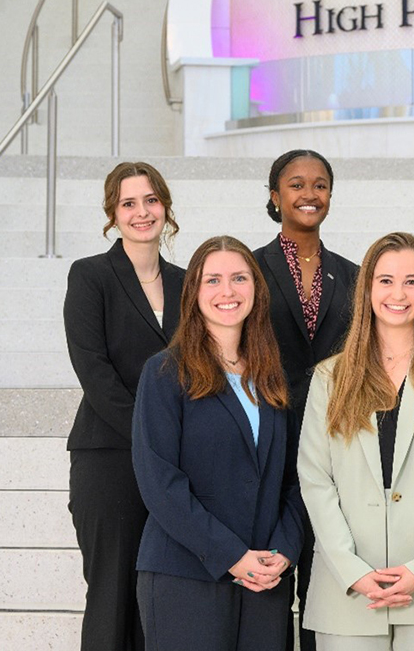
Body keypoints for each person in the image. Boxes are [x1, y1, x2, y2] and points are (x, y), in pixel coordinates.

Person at [298, 232, 414, 650]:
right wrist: (352, 569)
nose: (398, 293)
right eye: (385, 280)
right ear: (367, 289)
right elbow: (315, 480)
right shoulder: (330, 378)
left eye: (411, 281)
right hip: (347, 591)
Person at [132, 236, 305, 650]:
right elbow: (160, 482)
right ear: (193, 293)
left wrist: (284, 548)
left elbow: (298, 477)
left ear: (256, 290)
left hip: (265, 577)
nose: (227, 291)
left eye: (239, 278)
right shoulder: (163, 373)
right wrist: (232, 555)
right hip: (186, 575)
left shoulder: (273, 378)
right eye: (213, 280)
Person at [63, 161, 185, 651]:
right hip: (110, 458)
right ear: (113, 213)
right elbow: (93, 370)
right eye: (129, 202)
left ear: (166, 207)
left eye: (151, 200)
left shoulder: (187, 281)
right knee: (112, 595)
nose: (142, 212)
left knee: (162, 595)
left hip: (174, 462)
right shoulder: (91, 275)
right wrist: (151, 435)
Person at [253, 148, 360, 651]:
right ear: (275, 196)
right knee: (273, 582)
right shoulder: (248, 270)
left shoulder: (354, 275)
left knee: (326, 576)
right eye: (296, 184)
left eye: (319, 185)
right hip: (267, 440)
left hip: (332, 443)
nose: (309, 194)